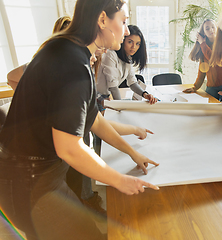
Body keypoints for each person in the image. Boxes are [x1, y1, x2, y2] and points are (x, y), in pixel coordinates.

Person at [0, 1, 159, 239]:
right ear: (103, 19)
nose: (126, 31)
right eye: (124, 21)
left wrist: (131, 152)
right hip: (30, 182)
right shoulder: (73, 63)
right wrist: (119, 180)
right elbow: (69, 148)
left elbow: (94, 120)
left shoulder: (65, 49)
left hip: (31, 176)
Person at [5, 15, 109, 216]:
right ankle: (84, 199)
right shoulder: (49, 61)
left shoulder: (79, 63)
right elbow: (11, 77)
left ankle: (84, 197)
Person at [96, 24, 156, 111]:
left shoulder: (128, 58)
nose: (134, 47)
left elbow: (132, 82)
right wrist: (121, 107)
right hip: (95, 96)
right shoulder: (110, 54)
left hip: (106, 97)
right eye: (130, 42)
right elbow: (113, 86)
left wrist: (145, 94)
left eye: (137, 44)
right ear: (123, 40)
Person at [182, 19, 222, 101]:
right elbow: (202, 70)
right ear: (204, 33)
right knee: (207, 109)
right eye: (207, 28)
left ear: (217, 28)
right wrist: (195, 87)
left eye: (213, 27)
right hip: (211, 87)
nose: (211, 30)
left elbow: (214, 59)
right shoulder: (204, 49)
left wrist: (202, 44)